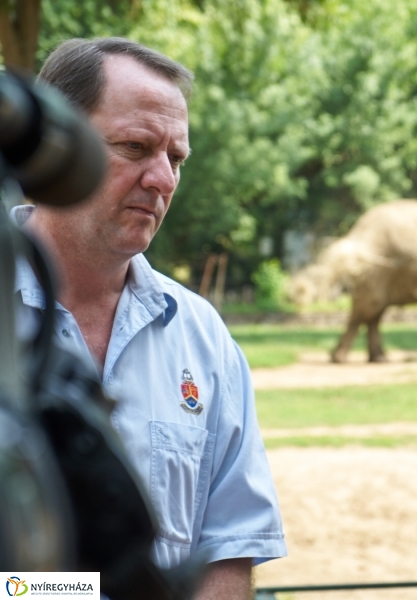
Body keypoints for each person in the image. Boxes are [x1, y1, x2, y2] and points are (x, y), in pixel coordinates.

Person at [12, 38, 286, 598]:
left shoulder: (202, 336)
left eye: (176, 158)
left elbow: (229, 549)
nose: (163, 179)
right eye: (136, 147)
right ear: (53, 153)